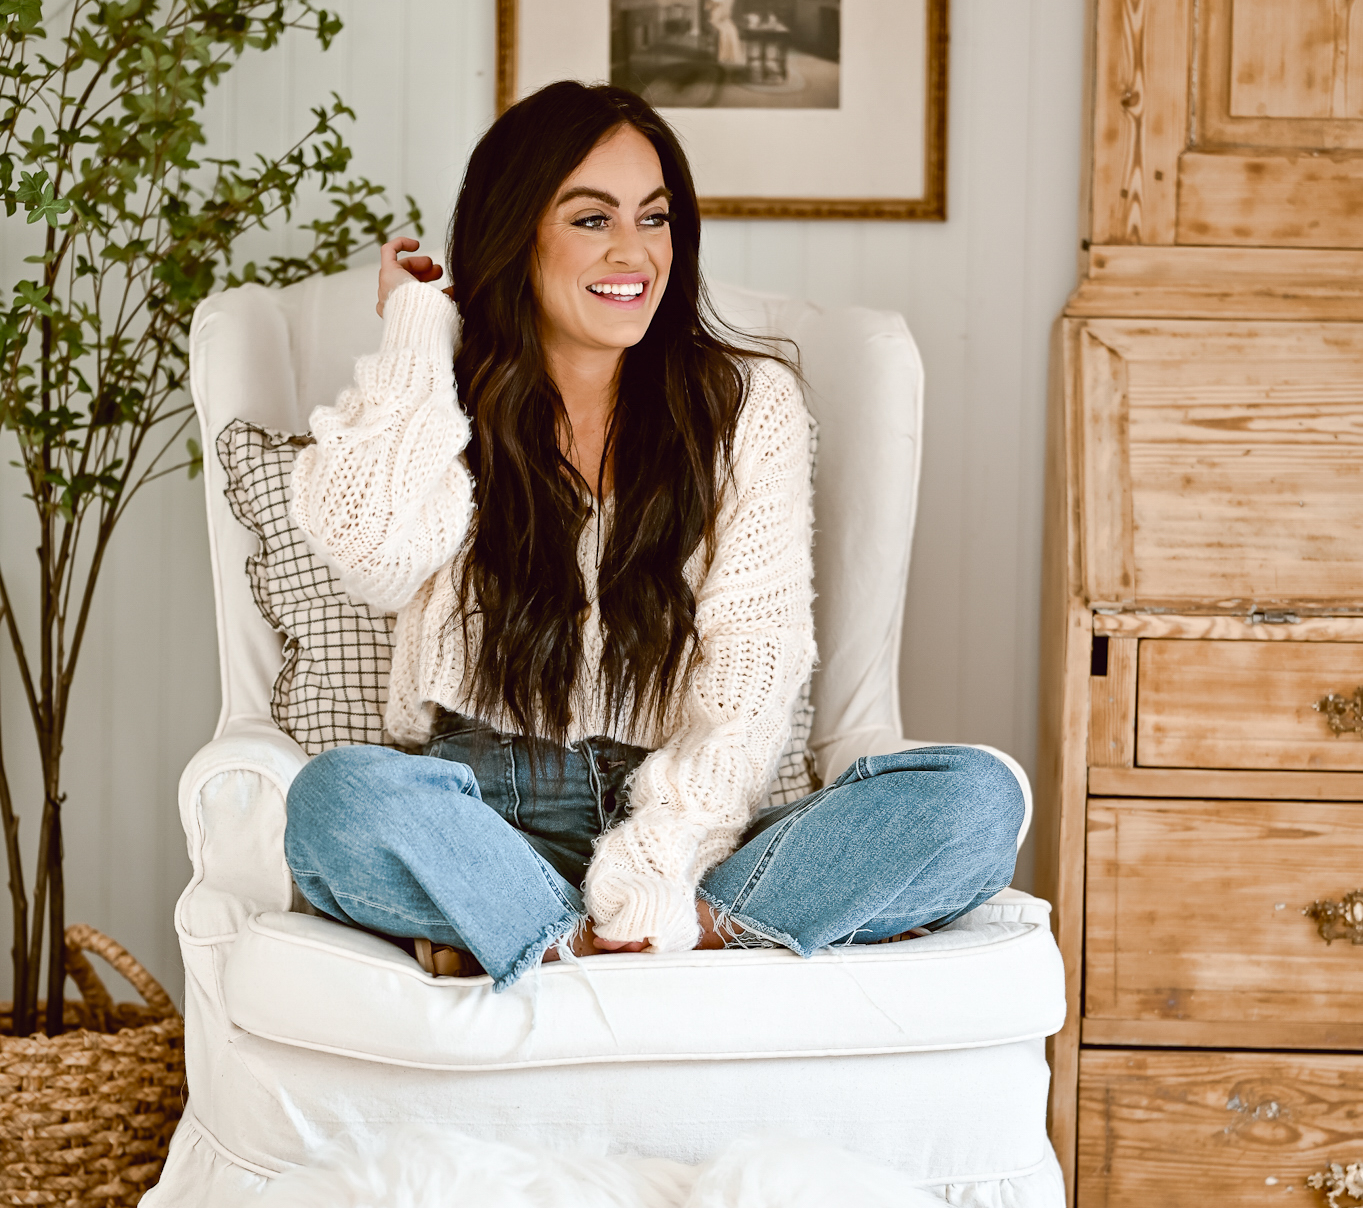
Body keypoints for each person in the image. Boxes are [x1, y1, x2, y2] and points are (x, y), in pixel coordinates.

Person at [284, 80, 1021, 989]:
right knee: (339, 801)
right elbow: (370, 550)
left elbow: (753, 672)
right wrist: (416, 328)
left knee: (976, 801)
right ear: (514, 232)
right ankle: (586, 935)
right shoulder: (443, 398)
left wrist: (659, 866)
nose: (633, 251)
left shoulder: (746, 407)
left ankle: (569, 936)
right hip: (481, 821)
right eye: (592, 219)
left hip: (689, 833)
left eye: (655, 217)